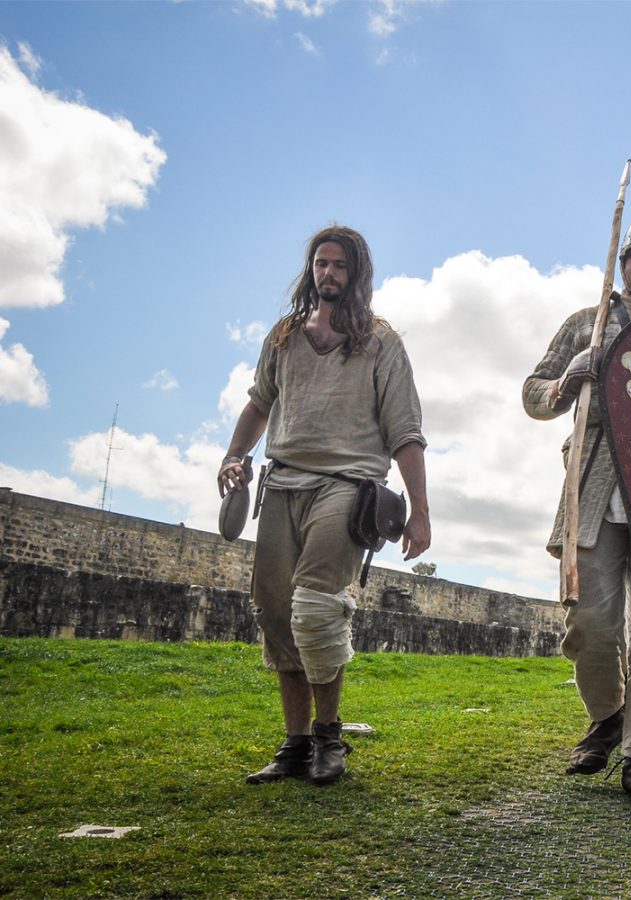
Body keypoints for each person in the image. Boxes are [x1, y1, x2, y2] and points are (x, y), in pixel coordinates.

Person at [219, 225, 431, 786]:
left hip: (348, 485)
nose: (328, 273)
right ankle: (294, 744)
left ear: (356, 274)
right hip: (281, 482)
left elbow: (406, 430)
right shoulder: (285, 336)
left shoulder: (382, 342)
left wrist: (421, 510)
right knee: (275, 614)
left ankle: (329, 737)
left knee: (315, 607)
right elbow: (259, 404)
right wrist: (234, 456)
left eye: (339, 265)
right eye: (320, 263)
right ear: (310, 269)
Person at [521, 209, 631, 805]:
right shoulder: (585, 322)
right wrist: (567, 379)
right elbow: (533, 395)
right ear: (622, 261)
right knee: (588, 626)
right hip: (592, 487)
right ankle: (608, 717)